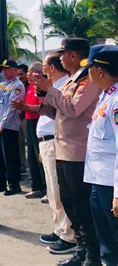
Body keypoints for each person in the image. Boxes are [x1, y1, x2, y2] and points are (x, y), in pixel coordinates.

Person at [32, 38, 102, 266]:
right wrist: (45, 98)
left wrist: (50, 90)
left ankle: (92, 254)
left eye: (63, 54)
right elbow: (60, 113)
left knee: (81, 205)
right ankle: (82, 249)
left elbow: (73, 109)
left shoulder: (87, 80)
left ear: (73, 56)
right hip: (63, 150)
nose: (60, 59)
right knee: (69, 203)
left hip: (78, 152)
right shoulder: (72, 81)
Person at [13, 53, 77, 254]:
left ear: (51, 68)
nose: (42, 70)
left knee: (59, 191)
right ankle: (59, 229)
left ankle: (69, 235)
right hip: (47, 141)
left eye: (46, 66)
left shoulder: (64, 85)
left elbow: (65, 114)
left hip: (56, 141)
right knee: (52, 191)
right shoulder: (54, 86)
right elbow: (46, 111)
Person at [82, 45, 118, 266]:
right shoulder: (106, 96)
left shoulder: (116, 101)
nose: (87, 72)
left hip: (110, 184)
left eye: (90, 67)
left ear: (101, 71)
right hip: (98, 179)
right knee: (105, 238)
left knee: (114, 237)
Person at [0, 59, 25, 196]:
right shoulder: (3, 85)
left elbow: (12, 108)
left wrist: (2, 125)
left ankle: (14, 184)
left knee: (10, 157)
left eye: (7, 69)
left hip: (9, 126)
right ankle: (0, 181)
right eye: (2, 69)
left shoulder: (18, 86)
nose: (4, 72)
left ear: (15, 70)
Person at [23, 62, 46, 199]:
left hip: (39, 121)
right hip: (29, 121)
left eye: (30, 73)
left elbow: (41, 108)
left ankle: (46, 187)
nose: (28, 76)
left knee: (41, 155)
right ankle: (36, 186)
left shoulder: (42, 87)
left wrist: (24, 106)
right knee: (31, 155)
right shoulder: (30, 87)